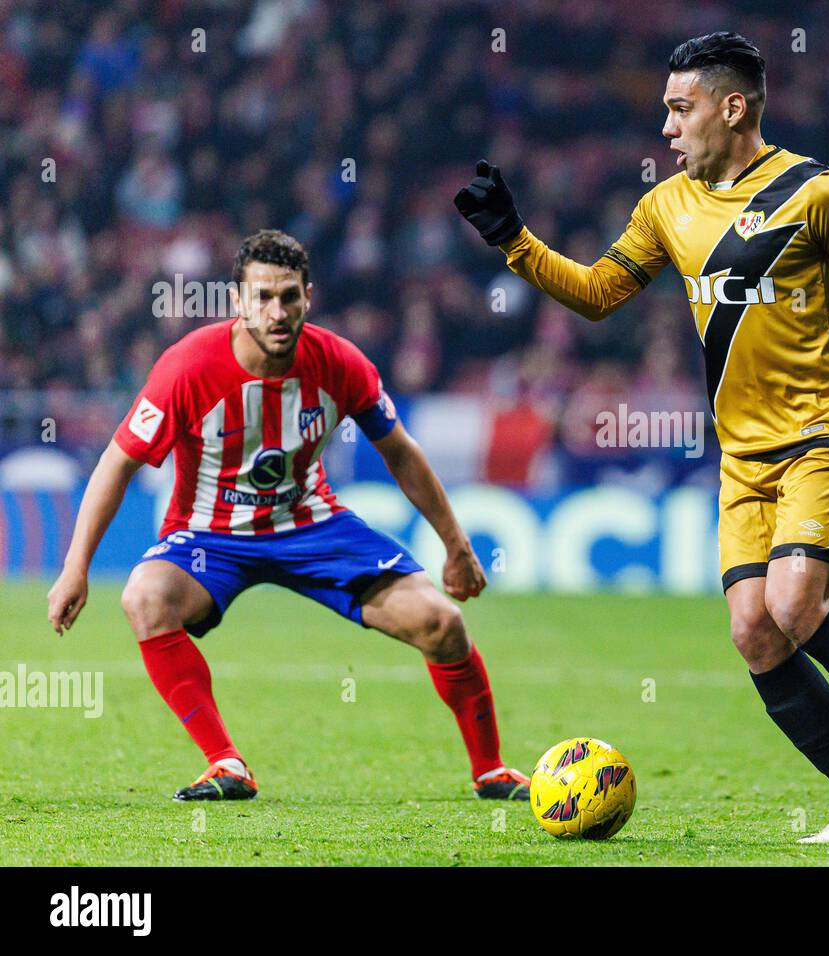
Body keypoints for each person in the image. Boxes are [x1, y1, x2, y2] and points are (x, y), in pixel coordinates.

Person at [455, 33, 829, 844]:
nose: (666, 128)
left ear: (733, 107)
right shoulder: (666, 206)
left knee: (795, 604)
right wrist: (513, 242)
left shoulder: (817, 193)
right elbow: (598, 294)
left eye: (679, 108)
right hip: (745, 453)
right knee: (753, 628)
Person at [46, 229, 530, 802]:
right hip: (210, 536)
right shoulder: (188, 368)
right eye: (263, 297)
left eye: (289, 297)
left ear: (309, 297)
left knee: (442, 624)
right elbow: (116, 463)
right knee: (145, 599)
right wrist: (76, 566)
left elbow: (400, 450)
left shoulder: (340, 363)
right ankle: (226, 763)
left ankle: (490, 769)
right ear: (237, 302)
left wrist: (457, 546)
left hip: (311, 525)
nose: (277, 312)